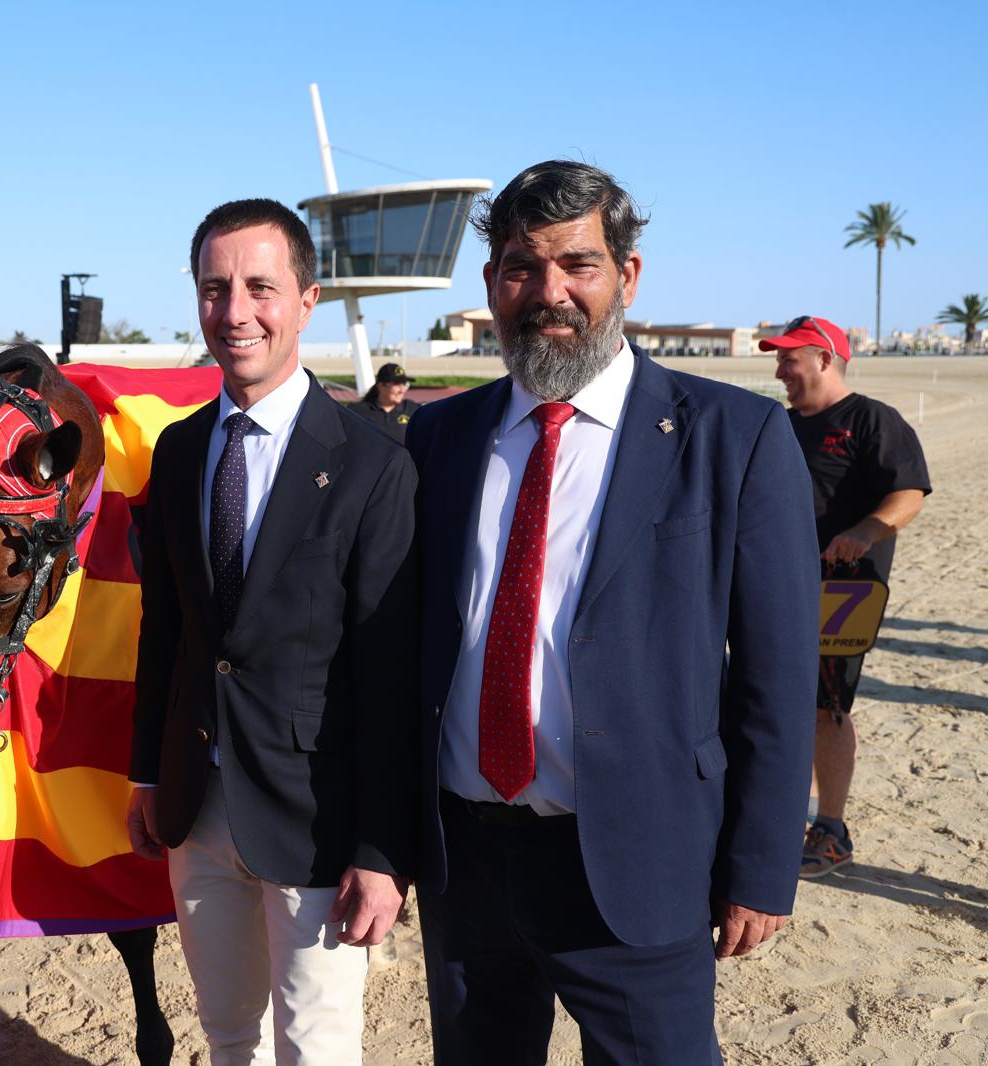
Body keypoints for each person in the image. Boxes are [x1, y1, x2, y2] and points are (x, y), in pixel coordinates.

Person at [405, 160, 820, 1064]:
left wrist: (760, 866)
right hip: (465, 863)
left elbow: (779, 676)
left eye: (577, 264)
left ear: (627, 275)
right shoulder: (440, 436)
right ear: (493, 282)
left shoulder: (735, 436)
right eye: (522, 267)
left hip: (641, 860)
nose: (548, 293)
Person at [125, 198, 419, 1065]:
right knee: (228, 1036)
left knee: (315, 1048)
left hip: (317, 816)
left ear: (307, 300)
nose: (235, 312)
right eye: (214, 289)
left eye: (260, 287)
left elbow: (391, 673)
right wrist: (149, 774)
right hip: (197, 803)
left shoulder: (373, 462)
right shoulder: (180, 451)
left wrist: (381, 848)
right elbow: (165, 629)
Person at [762, 316, 930, 878]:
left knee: (825, 707)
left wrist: (864, 532)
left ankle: (831, 830)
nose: (780, 370)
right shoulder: (781, 426)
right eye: (778, 359)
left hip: (844, 592)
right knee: (770, 701)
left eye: (789, 358)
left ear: (824, 359)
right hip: (778, 586)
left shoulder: (871, 419)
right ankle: (777, 817)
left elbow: (909, 494)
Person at [349, 362, 422, 444]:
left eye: (404, 384)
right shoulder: (357, 412)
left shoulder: (414, 410)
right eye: (397, 384)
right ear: (380, 386)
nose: (402, 390)